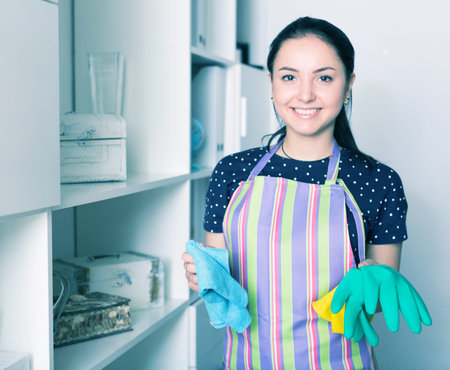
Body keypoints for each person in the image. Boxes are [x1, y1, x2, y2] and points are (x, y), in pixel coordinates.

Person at [182, 16, 408, 369]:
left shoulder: (378, 181)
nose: (305, 94)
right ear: (271, 84)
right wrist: (203, 277)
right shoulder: (232, 172)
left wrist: (374, 283)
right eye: (289, 76)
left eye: (324, 77)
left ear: (348, 85)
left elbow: (382, 298)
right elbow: (219, 283)